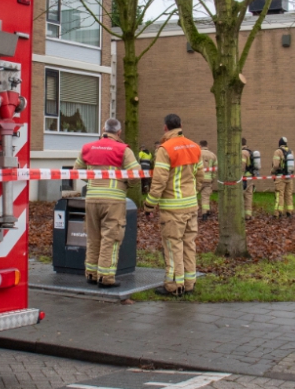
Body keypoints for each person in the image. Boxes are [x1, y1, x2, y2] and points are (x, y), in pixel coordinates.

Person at [73, 118, 141, 287]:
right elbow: (135, 175)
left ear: (104, 129)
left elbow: (75, 172)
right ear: (118, 133)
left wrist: (91, 182)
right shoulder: (123, 150)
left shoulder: (87, 148)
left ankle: (91, 273)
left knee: (93, 237)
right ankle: (105, 277)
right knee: (111, 239)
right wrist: (127, 184)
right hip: (114, 201)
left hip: (92, 199)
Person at [144, 114, 202, 296]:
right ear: (181, 125)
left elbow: (159, 181)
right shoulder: (194, 147)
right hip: (191, 206)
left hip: (172, 208)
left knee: (172, 245)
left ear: (165, 128)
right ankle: (190, 283)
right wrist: (192, 193)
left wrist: (149, 205)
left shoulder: (165, 149)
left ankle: (174, 286)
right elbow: (200, 177)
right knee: (189, 244)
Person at [273, 137, 295, 217]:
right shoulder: (291, 152)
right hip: (289, 177)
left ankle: (278, 212)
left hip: (280, 177)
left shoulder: (278, 151)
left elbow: (275, 165)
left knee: (279, 194)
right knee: (289, 194)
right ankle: (290, 212)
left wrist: (272, 171)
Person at [198, 140, 218, 220]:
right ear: (207, 146)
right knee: (205, 197)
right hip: (208, 180)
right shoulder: (213, 155)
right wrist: (212, 178)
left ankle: (192, 213)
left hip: (198, 179)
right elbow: (215, 169)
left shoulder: (197, 153)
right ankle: (204, 214)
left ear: (200, 145)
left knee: (193, 196)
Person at [242, 137, 255, 220]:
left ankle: (241, 214)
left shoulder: (242, 153)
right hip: (250, 177)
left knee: (241, 195)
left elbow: (242, 167)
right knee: (249, 196)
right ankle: (248, 214)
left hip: (244, 178)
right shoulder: (250, 152)